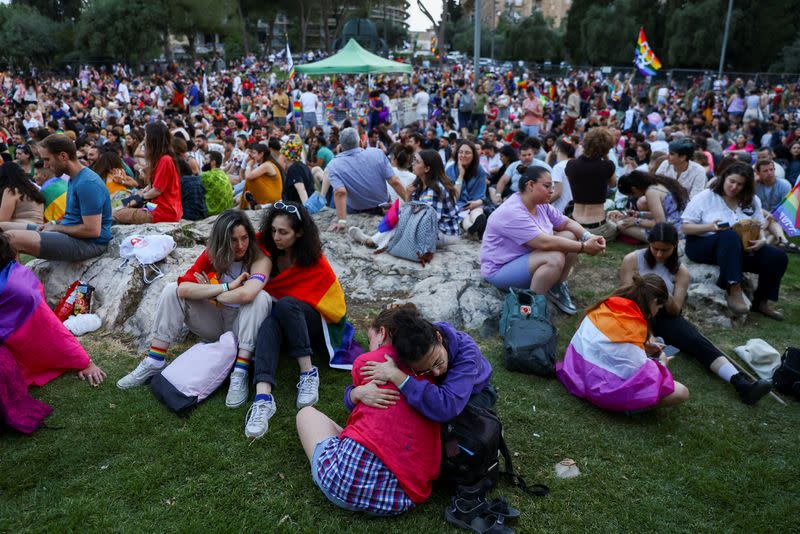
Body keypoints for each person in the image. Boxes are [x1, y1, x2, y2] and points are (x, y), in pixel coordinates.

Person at [117, 210, 272, 410]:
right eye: (233, 240)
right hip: (219, 319)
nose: (240, 245)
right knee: (171, 290)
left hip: (245, 322)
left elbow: (247, 295)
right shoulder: (213, 254)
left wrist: (210, 293)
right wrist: (224, 288)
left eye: (244, 238)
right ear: (222, 241)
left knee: (261, 297)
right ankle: (155, 360)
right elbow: (183, 288)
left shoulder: (259, 255)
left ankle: (240, 371)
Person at [295, 311, 440, 515]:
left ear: (382, 333)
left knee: (307, 414)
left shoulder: (370, 361)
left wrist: (355, 393)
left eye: (370, 339)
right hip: (401, 498)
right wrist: (356, 394)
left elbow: (356, 390)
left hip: (343, 484)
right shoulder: (429, 371)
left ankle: (337, 468)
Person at [620, 223, 772, 404]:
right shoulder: (632, 260)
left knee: (696, 340)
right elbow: (625, 298)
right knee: (644, 340)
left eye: (665, 250)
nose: (659, 254)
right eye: (655, 249)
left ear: (675, 246)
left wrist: (664, 293)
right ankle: (653, 349)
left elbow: (675, 310)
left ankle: (741, 383)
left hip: (663, 315)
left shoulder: (680, 271)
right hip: (634, 312)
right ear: (649, 243)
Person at [245, 202, 347, 439]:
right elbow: (237, 241)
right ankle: (263, 399)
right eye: (273, 230)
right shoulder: (266, 249)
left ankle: (308, 373)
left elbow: (335, 304)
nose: (276, 237)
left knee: (287, 304)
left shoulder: (313, 260)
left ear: (299, 232)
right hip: (282, 317)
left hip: (313, 323)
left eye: (283, 232)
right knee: (271, 322)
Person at [480, 166, 606, 315]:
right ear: (531, 185)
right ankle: (530, 307)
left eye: (551, 186)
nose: (552, 190)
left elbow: (566, 223)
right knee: (555, 258)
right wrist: (584, 247)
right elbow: (544, 242)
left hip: (524, 258)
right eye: (547, 186)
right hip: (500, 269)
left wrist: (588, 236)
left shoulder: (540, 204)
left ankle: (556, 285)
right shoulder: (513, 211)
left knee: (570, 236)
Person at [556, 273, 689, 412]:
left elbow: (613, 345)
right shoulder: (635, 325)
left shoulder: (608, 306)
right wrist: (662, 363)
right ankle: (629, 408)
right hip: (602, 392)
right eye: (659, 308)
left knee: (658, 342)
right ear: (655, 302)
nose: (657, 312)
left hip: (576, 375)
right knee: (682, 392)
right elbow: (641, 376)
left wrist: (641, 347)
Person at [353, 304, 496, 422]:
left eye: (438, 362)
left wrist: (397, 375)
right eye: (424, 371)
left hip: (476, 392)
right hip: (440, 396)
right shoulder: (410, 346)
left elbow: (447, 407)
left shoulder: (468, 353)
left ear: (439, 337)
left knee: (447, 425)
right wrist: (356, 394)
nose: (436, 373)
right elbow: (364, 385)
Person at [682, 162, 788, 320]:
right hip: (702, 245)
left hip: (737, 249)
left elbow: (758, 225)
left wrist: (762, 240)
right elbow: (685, 227)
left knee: (777, 257)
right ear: (724, 178)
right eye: (731, 181)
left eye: (740, 184)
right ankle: (733, 286)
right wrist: (710, 227)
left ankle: (761, 302)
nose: (734, 187)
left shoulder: (751, 200)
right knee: (729, 235)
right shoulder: (705, 197)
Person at [0, 134, 111, 261]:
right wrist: (53, 223)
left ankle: (15, 279)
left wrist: (56, 227)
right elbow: (75, 218)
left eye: (47, 159)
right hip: (72, 234)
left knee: (11, 238)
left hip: (89, 244)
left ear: (63, 156)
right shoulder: (75, 177)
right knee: (2, 227)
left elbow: (92, 231)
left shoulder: (87, 183)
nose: (45, 166)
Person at [326, 127, 407, 232]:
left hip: (355, 211)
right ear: (360, 142)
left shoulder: (333, 164)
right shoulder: (377, 153)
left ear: (341, 146)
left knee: (334, 196)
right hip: (382, 208)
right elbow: (394, 181)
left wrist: (342, 221)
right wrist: (410, 202)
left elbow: (340, 192)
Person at [113, 122, 182, 224]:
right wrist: (137, 196)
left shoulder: (165, 160)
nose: (144, 140)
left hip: (163, 211)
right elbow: (151, 187)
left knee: (115, 213)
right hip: (157, 207)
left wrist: (139, 197)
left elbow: (156, 191)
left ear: (152, 139)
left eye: (146, 136)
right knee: (122, 204)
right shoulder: (161, 158)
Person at [565, 127, 618, 240]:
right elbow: (613, 184)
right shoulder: (607, 166)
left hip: (575, 226)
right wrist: (605, 156)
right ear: (606, 148)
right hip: (598, 229)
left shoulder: (571, 165)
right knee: (616, 223)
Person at [614, 170, 688, 242]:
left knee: (621, 225)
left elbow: (660, 224)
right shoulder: (659, 182)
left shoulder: (651, 192)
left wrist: (636, 221)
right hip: (683, 224)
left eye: (631, 195)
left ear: (634, 189)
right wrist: (640, 214)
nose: (633, 197)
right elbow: (663, 214)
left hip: (674, 232)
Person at [445, 140, 488, 236]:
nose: (463, 155)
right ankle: (473, 229)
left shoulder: (479, 170)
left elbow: (482, 195)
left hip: (474, 203)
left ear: (473, 155)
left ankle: (479, 222)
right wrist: (461, 174)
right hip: (456, 204)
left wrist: (476, 203)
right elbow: (454, 196)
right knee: (463, 217)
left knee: (477, 211)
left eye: (467, 153)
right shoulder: (450, 170)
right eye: (460, 152)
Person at [492, 137, 552, 201]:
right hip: (513, 193)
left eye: (529, 155)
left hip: (532, 195)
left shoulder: (542, 165)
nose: (527, 157)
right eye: (524, 155)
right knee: (493, 188)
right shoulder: (514, 165)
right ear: (519, 156)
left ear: (533, 154)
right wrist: (498, 195)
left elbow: (552, 180)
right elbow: (503, 181)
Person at [241, 142, 282, 209]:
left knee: (250, 180)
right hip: (273, 194)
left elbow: (248, 176)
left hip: (274, 196)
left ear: (261, 154)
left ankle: (245, 205)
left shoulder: (266, 165)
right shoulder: (266, 163)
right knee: (250, 179)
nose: (252, 156)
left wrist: (248, 165)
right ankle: (248, 203)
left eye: (254, 153)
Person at [280, 135, 314, 204]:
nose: (281, 156)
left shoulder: (294, 169)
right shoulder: (302, 166)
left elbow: (301, 190)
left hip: (297, 209)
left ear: (287, 156)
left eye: (282, 153)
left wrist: (306, 209)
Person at [200, 151, 235, 216]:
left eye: (206, 159)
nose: (203, 162)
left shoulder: (206, 175)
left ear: (213, 162)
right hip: (227, 209)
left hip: (213, 212)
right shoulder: (223, 173)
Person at [550, 137, 575, 215]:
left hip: (560, 211)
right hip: (574, 208)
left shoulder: (558, 167)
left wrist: (539, 204)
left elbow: (557, 193)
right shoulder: (574, 163)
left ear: (557, 148)